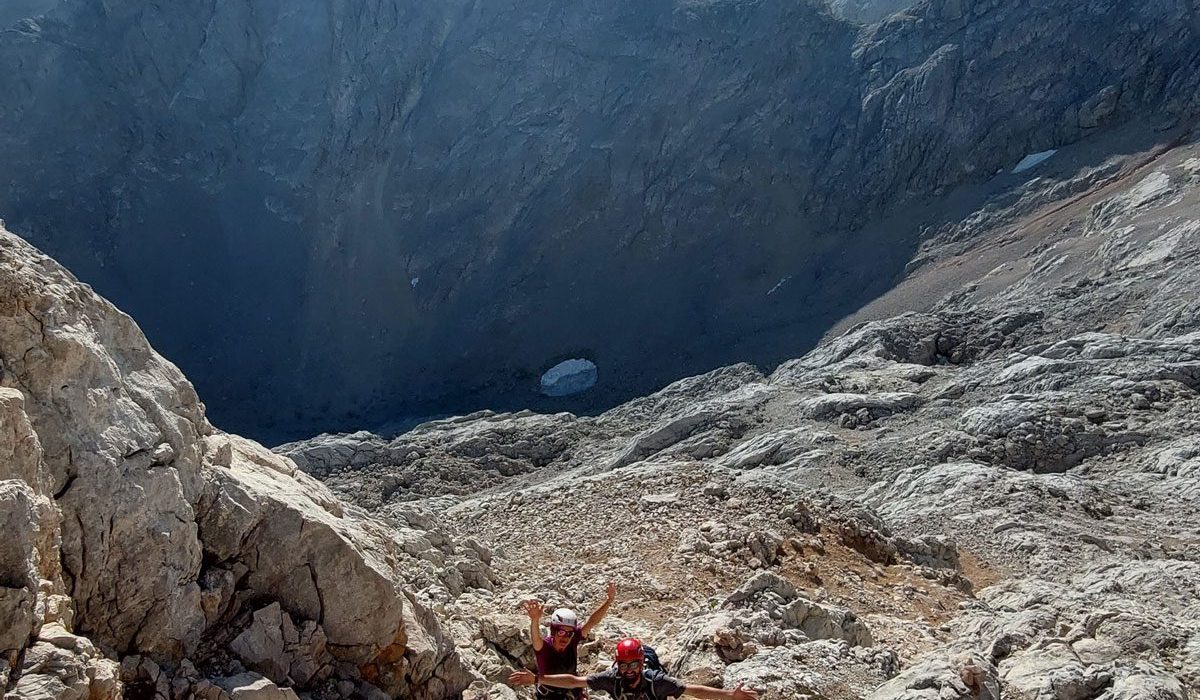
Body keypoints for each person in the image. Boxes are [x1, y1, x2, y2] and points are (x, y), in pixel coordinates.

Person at [511, 637, 759, 700]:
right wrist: (538, 680)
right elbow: (575, 681)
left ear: (642, 663)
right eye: (623, 665)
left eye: (634, 665)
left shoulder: (656, 682)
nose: (628, 670)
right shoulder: (611, 678)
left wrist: (730, 696)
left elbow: (693, 690)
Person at [524, 582, 618, 699]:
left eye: (569, 633)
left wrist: (608, 601)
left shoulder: (572, 640)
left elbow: (591, 622)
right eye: (561, 632)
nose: (565, 637)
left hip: (572, 693)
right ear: (553, 631)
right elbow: (536, 639)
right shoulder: (544, 649)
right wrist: (535, 620)